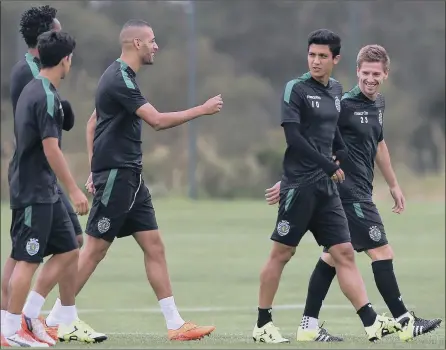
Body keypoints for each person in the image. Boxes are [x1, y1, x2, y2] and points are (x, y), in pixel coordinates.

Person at [45, 19, 222, 341]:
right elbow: (155, 120)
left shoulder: (120, 77)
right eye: (152, 41)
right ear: (136, 44)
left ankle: (175, 324)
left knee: (154, 245)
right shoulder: (119, 79)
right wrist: (203, 109)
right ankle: (56, 319)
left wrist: (93, 169)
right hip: (118, 175)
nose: (156, 46)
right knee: (94, 250)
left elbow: (91, 124)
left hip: (130, 177)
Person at [265, 44, 442, 342]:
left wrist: (394, 184)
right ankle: (404, 320)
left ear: (385, 74)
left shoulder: (378, 104)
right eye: (365, 73)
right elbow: (315, 140)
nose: (370, 79)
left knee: (332, 258)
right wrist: (289, 181)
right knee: (381, 251)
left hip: (361, 190)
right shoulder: (343, 104)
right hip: (347, 191)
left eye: (376, 73)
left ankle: (308, 326)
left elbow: (380, 145)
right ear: (357, 72)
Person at [252, 29, 404, 344]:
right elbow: (294, 138)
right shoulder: (295, 88)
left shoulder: (334, 89)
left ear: (335, 59)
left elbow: (333, 134)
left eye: (323, 56)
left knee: (344, 253)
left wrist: (341, 155)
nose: (316, 61)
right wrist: (328, 166)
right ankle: (262, 324)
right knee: (282, 252)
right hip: (301, 186)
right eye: (312, 55)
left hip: (328, 189)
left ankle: (372, 323)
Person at [1, 6, 105, 346]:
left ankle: (30, 316)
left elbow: (57, 118)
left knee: (69, 244)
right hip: (34, 182)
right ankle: (11, 325)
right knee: (25, 255)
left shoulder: (43, 84)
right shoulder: (31, 82)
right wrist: (74, 189)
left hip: (45, 181)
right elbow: (48, 144)